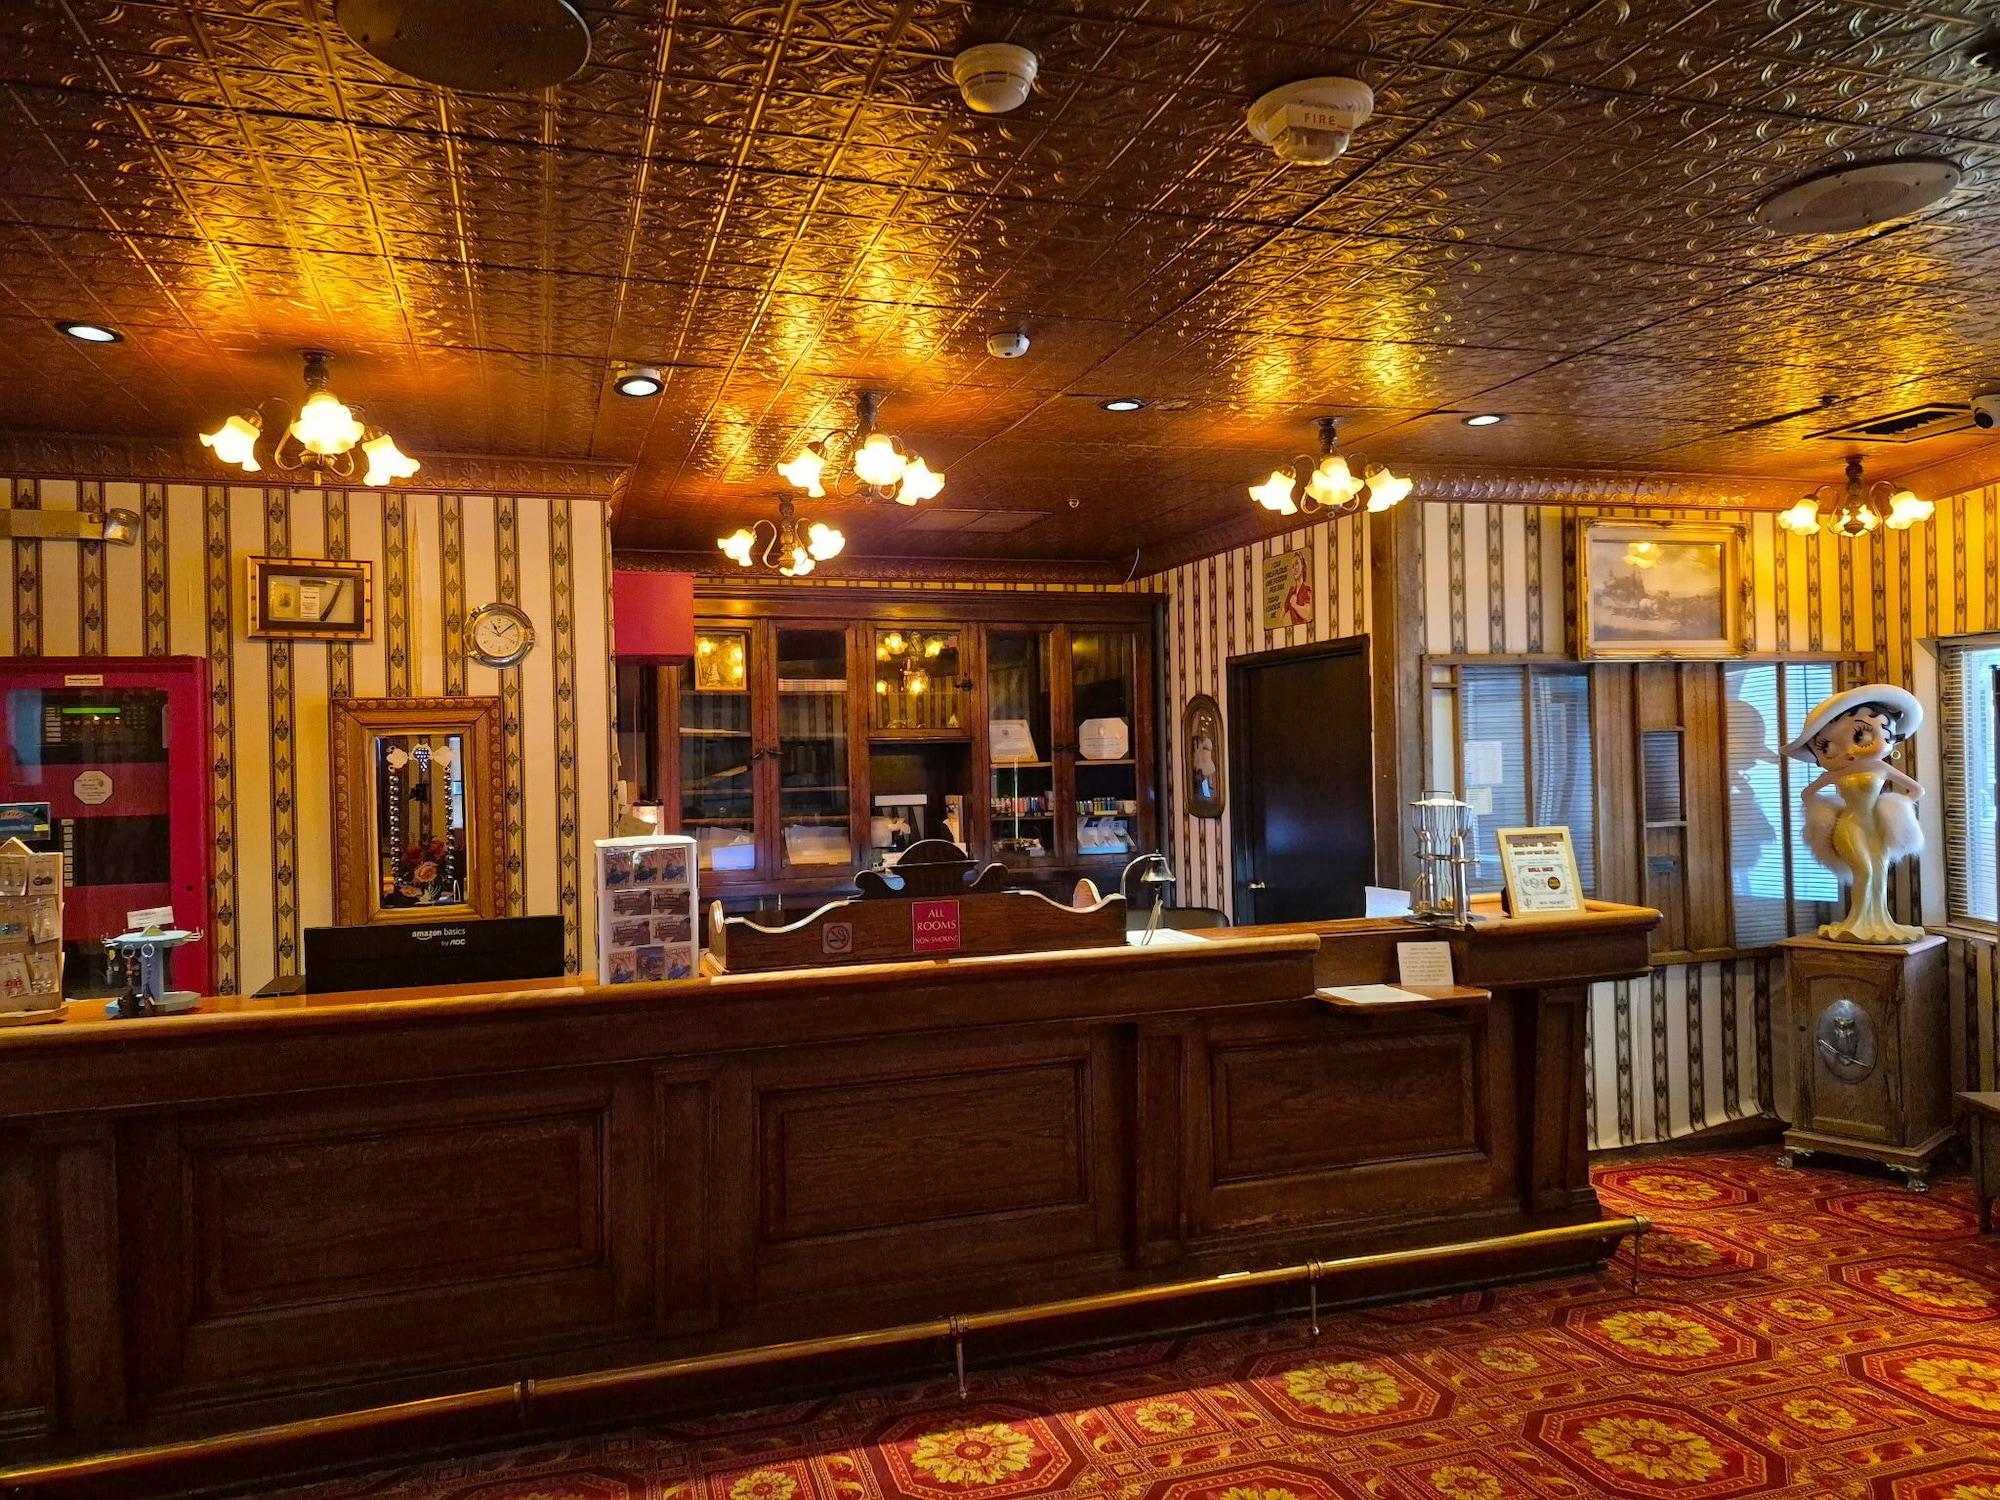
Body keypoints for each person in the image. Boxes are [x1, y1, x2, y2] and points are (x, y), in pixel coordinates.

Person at [1784, 684, 1924, 944]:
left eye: (1860, 736)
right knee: (1865, 871)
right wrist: (1826, 810)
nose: (1847, 751)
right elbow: (1807, 794)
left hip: (1876, 827)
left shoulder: (1881, 769)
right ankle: (1856, 921)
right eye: (1827, 746)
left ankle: (1879, 921)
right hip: (1849, 826)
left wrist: (1896, 808)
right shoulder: (1836, 773)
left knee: (1880, 872)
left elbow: (1917, 791)